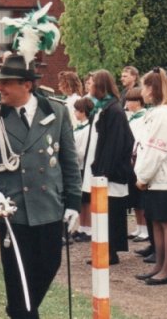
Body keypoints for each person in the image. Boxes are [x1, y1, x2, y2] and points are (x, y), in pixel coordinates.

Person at [0, 54, 81, 318]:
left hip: (49, 208)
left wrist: (74, 204)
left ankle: (19, 310)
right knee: (18, 277)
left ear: (27, 85)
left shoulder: (56, 111)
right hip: (13, 212)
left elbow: (69, 161)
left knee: (49, 265)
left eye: (6, 83)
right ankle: (21, 311)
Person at [134, 67, 167, 286]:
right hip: (156, 178)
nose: (141, 91)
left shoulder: (165, 115)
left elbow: (156, 151)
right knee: (156, 220)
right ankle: (158, 265)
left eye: (144, 86)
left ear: (152, 88)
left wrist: (143, 177)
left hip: (166, 177)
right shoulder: (155, 113)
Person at [84, 69, 134, 265]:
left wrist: (104, 170)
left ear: (101, 86)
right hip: (100, 168)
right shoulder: (101, 108)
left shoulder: (113, 110)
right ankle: (104, 249)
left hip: (111, 172)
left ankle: (111, 252)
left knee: (111, 214)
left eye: (92, 83)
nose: (89, 86)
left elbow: (117, 142)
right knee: (102, 212)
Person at [125, 87, 149, 243]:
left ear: (138, 102)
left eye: (129, 100)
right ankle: (139, 226)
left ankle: (145, 229)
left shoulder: (143, 117)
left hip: (138, 159)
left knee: (141, 197)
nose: (126, 103)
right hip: (130, 159)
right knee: (134, 196)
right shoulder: (131, 117)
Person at [71, 96, 94, 242]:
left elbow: (83, 150)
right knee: (81, 200)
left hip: (83, 165)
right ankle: (82, 227)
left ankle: (89, 228)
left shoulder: (88, 129)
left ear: (83, 111)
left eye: (76, 110)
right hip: (78, 165)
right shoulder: (79, 127)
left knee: (87, 200)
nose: (74, 112)